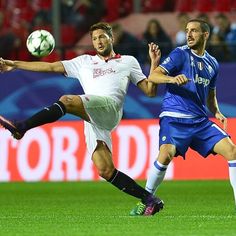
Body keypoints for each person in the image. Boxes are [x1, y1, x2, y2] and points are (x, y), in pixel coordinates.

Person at [0, 22, 164, 216]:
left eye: (102, 37)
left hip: (110, 108)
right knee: (105, 170)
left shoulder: (128, 61)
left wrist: (154, 63)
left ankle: (22, 126)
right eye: (94, 39)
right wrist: (15, 64)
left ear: (111, 38)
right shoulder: (84, 61)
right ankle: (150, 199)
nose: (99, 41)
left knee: (67, 100)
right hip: (92, 116)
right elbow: (51, 67)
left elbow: (150, 91)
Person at [129, 19, 236, 216]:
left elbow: (210, 95)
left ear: (205, 35)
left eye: (194, 31)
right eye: (187, 30)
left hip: (200, 121)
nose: (189, 34)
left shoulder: (213, 63)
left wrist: (217, 112)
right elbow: (153, 77)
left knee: (232, 151)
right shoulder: (180, 54)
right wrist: (171, 79)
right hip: (174, 117)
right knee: (165, 154)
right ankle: (146, 201)